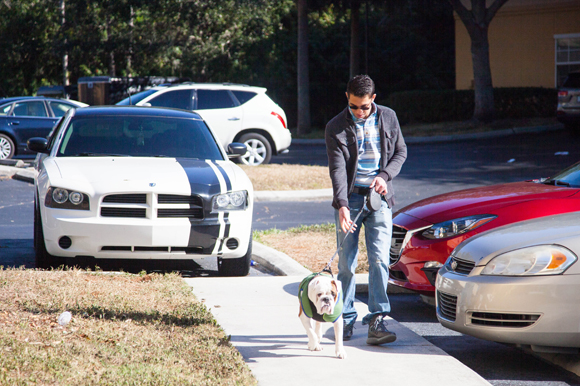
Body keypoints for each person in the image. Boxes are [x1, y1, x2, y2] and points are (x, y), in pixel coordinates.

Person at [325, 74, 407, 345]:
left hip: (379, 199)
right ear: (347, 99)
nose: (359, 112)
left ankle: (377, 320)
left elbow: (400, 152)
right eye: (353, 106)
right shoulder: (335, 127)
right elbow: (337, 169)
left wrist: (384, 175)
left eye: (363, 106)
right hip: (352, 199)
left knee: (380, 260)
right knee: (346, 262)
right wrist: (342, 206)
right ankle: (344, 319)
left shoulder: (388, 117)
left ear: (373, 99)